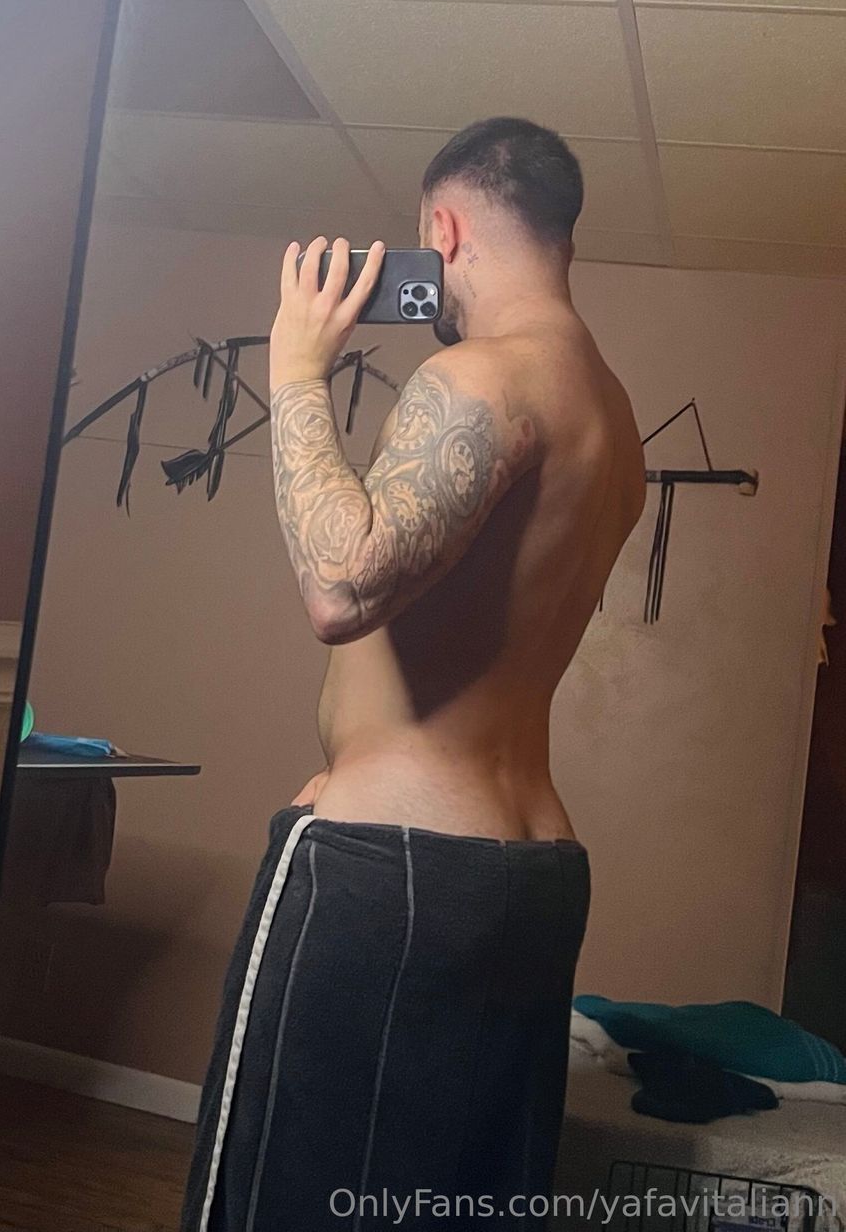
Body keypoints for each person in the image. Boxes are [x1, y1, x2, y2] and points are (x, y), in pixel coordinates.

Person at [180, 118, 646, 1231]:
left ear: (443, 228)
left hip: (396, 871)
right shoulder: (615, 419)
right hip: (533, 877)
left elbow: (341, 589)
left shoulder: (482, 375)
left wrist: (297, 367)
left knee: (283, 1201)